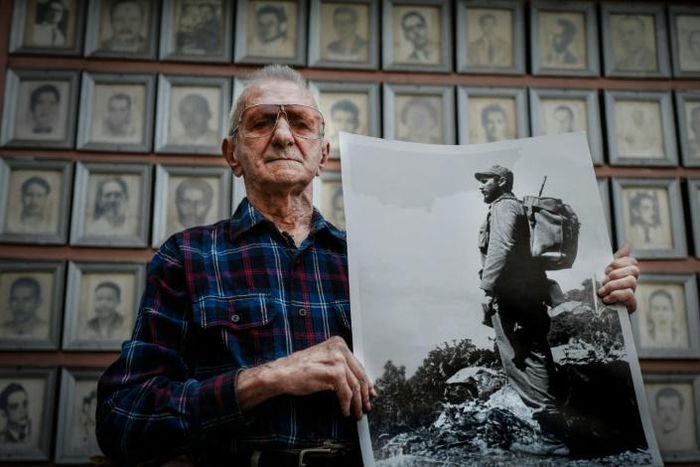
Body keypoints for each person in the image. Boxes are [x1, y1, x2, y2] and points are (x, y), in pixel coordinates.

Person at [95, 65, 639, 466]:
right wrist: (264, 380)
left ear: (322, 152)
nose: (283, 134)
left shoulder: (373, 256)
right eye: (261, 122)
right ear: (231, 153)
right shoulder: (188, 257)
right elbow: (121, 418)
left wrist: (605, 301)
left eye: (300, 122)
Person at [475, 165, 570, 454]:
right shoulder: (511, 207)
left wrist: (487, 288)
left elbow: (500, 247)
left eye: (485, 180)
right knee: (531, 355)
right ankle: (554, 435)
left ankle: (554, 439)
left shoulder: (504, 207)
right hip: (525, 296)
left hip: (515, 299)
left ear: (502, 182)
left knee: (524, 360)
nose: (481, 186)